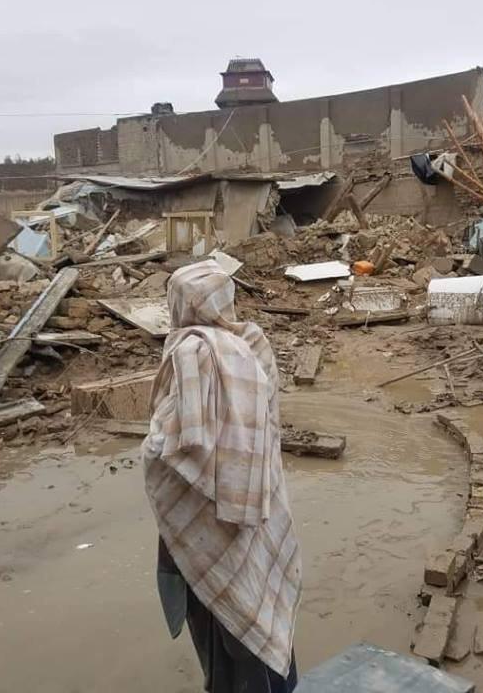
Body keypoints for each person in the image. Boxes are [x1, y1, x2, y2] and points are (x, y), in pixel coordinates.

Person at [142, 259, 301, 693]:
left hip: (210, 517)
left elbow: (177, 448)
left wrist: (149, 453)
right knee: (259, 602)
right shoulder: (252, 342)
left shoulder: (191, 353)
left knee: (222, 620)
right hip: (259, 504)